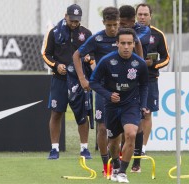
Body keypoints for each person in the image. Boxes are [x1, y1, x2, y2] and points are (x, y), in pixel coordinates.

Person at [89, 28, 149, 183]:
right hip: (112, 106)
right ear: (117, 44)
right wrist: (108, 95)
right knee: (114, 142)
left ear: (134, 44)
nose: (126, 46)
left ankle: (122, 172)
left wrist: (143, 105)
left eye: (130, 43)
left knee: (131, 134)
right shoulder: (107, 61)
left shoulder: (140, 63)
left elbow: (144, 86)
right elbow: (93, 82)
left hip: (131, 104)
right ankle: (115, 165)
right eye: (123, 43)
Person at [72, 6, 120, 177]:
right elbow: (76, 55)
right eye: (109, 25)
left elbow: (137, 53)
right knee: (102, 127)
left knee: (119, 128)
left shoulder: (125, 37)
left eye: (115, 24)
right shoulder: (97, 38)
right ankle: (106, 164)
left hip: (123, 89)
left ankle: (116, 161)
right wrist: (83, 79)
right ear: (103, 23)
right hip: (101, 88)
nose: (113, 28)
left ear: (119, 22)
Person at [42, 4, 93, 160]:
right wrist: (56, 65)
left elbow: (92, 55)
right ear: (66, 16)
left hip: (79, 80)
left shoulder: (86, 33)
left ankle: (84, 148)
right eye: (72, 20)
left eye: (77, 20)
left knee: (82, 115)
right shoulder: (54, 32)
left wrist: (88, 59)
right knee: (56, 113)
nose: (74, 23)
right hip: (60, 79)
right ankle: (54, 149)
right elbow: (46, 54)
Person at [119, 4, 151, 173]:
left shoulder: (143, 31)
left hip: (137, 82)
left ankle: (136, 163)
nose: (123, 27)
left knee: (137, 123)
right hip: (116, 83)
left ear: (133, 21)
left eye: (126, 24)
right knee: (120, 125)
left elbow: (135, 43)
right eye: (121, 24)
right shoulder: (115, 31)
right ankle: (119, 161)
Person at [136, 3, 170, 158]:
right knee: (129, 114)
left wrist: (154, 64)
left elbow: (166, 58)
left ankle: (142, 147)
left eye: (145, 14)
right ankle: (127, 145)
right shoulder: (129, 33)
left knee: (147, 114)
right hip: (131, 80)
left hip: (150, 80)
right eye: (140, 14)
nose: (142, 17)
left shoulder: (157, 35)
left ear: (150, 16)